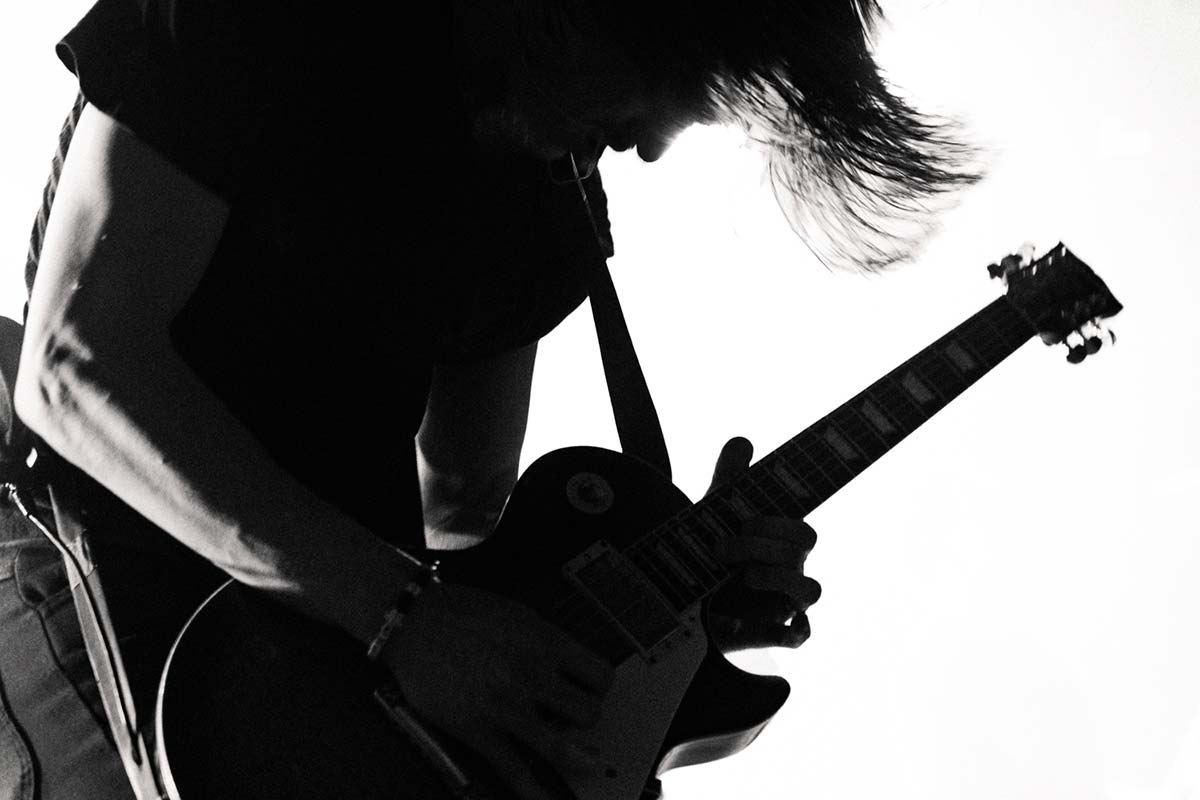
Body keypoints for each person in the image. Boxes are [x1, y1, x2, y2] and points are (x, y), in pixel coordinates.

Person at [1, 0, 979, 798]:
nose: (648, 145)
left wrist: (675, 600)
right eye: (659, 88)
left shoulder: (548, 214)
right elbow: (78, 368)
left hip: (320, 675)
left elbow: (466, 514)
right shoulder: (266, 21)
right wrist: (401, 616)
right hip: (77, 561)